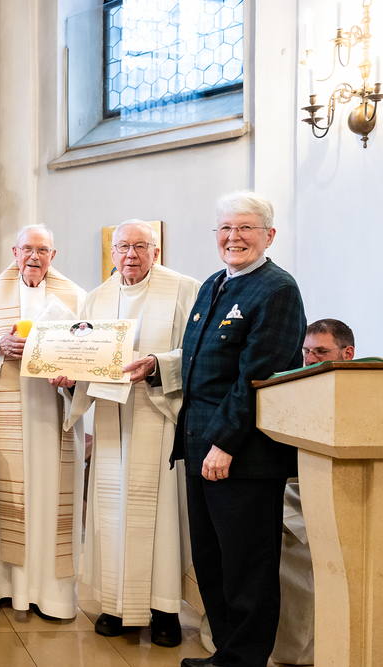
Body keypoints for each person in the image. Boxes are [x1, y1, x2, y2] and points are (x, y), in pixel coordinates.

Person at [53, 220, 200, 647]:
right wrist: (70, 376)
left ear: (155, 250)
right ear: (113, 252)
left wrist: (157, 364)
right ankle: (116, 605)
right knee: (110, 511)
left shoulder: (184, 289)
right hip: (111, 419)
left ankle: (164, 609)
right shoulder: (97, 298)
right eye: (122, 247)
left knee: (159, 514)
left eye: (140, 246)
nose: (130, 255)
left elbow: (197, 351)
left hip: (158, 413)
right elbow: (82, 355)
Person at [174, 191, 306, 667]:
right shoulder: (214, 284)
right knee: (212, 563)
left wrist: (225, 443)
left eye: (246, 227)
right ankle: (225, 655)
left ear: (269, 235)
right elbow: (197, 363)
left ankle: (244, 661)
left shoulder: (277, 289)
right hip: (199, 448)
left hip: (241, 456)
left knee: (248, 569)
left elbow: (257, 377)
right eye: (226, 228)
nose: (234, 237)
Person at [0, 224, 87, 618]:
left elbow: (91, 352)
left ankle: (50, 595)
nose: (34, 257)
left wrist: (72, 374)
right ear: (15, 253)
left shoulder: (76, 297)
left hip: (53, 415)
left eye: (43, 250)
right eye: (28, 249)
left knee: (51, 500)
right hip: (2, 418)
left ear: (53, 255)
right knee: (1, 499)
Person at [270, 318, 355, 665]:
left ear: (347, 354)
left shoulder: (362, 391)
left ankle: (304, 651)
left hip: (345, 492)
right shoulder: (294, 385)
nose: (310, 359)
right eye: (306, 351)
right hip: (295, 487)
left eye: (321, 351)